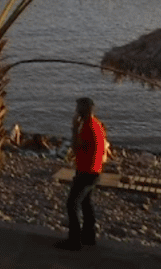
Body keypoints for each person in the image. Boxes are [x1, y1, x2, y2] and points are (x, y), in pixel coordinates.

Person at [56, 97, 107, 251]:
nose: (76, 110)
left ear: (83, 110)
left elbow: (76, 148)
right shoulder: (97, 124)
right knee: (86, 203)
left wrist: (73, 128)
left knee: (72, 204)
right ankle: (89, 236)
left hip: (86, 171)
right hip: (95, 170)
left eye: (78, 107)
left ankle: (74, 241)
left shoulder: (88, 127)